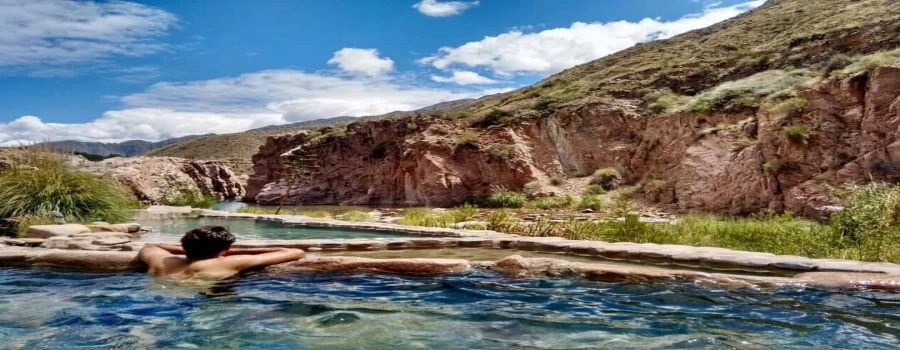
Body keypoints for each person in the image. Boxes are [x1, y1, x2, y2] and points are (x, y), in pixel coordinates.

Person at [138, 225, 304, 279]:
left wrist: (190, 249)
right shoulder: (227, 262)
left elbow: (150, 246)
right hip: (208, 305)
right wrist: (230, 253)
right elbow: (295, 252)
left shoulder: (162, 262)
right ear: (224, 250)